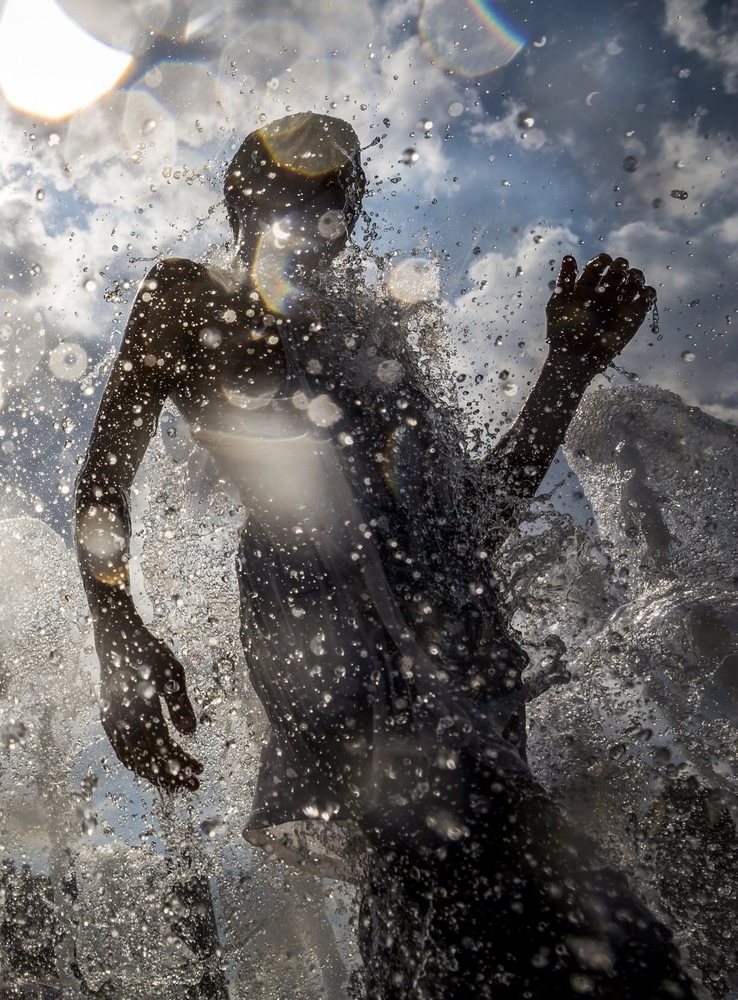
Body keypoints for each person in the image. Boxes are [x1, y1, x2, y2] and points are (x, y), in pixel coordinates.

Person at [74, 112, 692, 997]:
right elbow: (104, 479)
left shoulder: (378, 336)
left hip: (463, 690)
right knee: (600, 947)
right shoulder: (189, 296)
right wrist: (117, 631)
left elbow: (464, 530)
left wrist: (568, 369)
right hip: (340, 670)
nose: (316, 207)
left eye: (338, 193)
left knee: (453, 938)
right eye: (290, 183)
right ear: (239, 195)